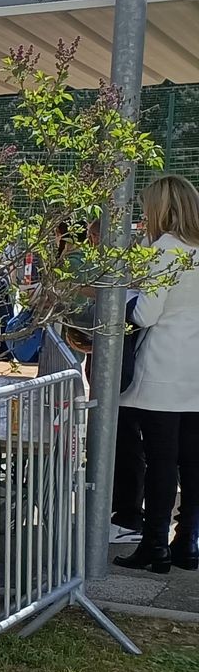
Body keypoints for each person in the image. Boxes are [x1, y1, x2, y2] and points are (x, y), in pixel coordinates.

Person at [118, 174, 199, 573]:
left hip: (164, 368)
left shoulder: (164, 249)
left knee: (161, 462)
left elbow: (147, 314)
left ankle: (155, 545)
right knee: (193, 464)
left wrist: (122, 304)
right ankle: (187, 543)